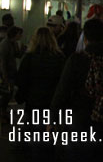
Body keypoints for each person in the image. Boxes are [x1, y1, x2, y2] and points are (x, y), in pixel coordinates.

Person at [52, 18, 103, 162]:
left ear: (85, 38)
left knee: (79, 154)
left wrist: (54, 117)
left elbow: (63, 89)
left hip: (82, 116)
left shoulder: (77, 60)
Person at [15, 27, 65, 162]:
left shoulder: (29, 57)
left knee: (32, 135)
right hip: (52, 103)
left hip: (33, 102)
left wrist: (20, 96)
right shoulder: (59, 58)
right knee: (49, 136)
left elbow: (21, 80)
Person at [0, 25, 24, 121]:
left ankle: (3, 111)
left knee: (9, 93)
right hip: (6, 73)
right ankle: (2, 112)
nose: (21, 36)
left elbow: (17, 55)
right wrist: (4, 77)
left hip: (11, 72)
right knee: (6, 93)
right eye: (19, 34)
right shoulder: (4, 44)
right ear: (15, 34)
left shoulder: (13, 43)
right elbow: (2, 63)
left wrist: (22, 49)